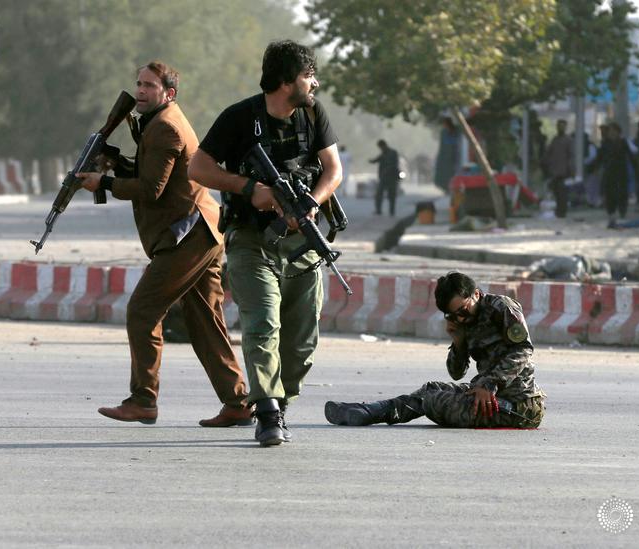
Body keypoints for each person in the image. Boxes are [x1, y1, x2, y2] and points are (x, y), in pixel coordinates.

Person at [77, 61, 251, 427]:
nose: (140, 91)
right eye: (138, 84)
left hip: (187, 235)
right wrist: (116, 163)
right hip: (200, 230)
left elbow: (151, 190)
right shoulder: (156, 123)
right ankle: (237, 402)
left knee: (142, 311)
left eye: (149, 86)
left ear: (168, 93)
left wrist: (103, 184)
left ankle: (143, 400)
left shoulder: (165, 128)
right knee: (204, 320)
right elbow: (156, 176)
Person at [188, 40, 342, 446]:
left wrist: (311, 201)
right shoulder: (240, 118)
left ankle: (282, 400)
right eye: (309, 76)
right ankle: (267, 410)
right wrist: (249, 188)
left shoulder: (312, 114)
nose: (315, 83)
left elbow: (334, 169)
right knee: (262, 325)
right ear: (285, 81)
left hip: (303, 242)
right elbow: (199, 166)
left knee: (303, 338)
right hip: (252, 240)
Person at [325, 272, 546, 429]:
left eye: (463, 310)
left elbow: (523, 348)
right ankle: (371, 411)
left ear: (476, 294)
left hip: (519, 405)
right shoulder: (463, 323)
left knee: (433, 400)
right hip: (484, 395)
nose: (461, 317)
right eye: (453, 315)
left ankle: (372, 413)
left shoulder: (502, 307)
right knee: (431, 388)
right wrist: (458, 341)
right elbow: (456, 373)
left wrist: (491, 383)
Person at [593, 122, 634, 228]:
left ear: (618, 132)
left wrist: (637, 168)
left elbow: (631, 156)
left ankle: (622, 213)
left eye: (612, 131)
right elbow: (600, 157)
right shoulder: (605, 143)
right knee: (609, 195)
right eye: (610, 131)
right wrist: (595, 168)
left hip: (621, 173)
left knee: (622, 194)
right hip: (609, 173)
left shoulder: (623, 142)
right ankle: (612, 216)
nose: (610, 133)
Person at [543, 119, 573, 218]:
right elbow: (549, 153)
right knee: (556, 191)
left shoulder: (568, 140)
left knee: (562, 192)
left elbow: (571, 156)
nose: (560, 128)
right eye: (559, 126)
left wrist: (570, 169)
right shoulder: (555, 139)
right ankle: (559, 210)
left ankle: (562, 211)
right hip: (554, 170)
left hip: (564, 171)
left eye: (562, 126)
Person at [518, 255, 611, 283]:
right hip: (577, 267)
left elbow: (607, 275)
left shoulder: (604, 265)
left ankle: (531, 273)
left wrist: (591, 278)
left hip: (578, 266)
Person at [370, 139, 401, 216]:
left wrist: (388, 169)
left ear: (384, 145)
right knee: (379, 194)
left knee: (391, 195)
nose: (381, 149)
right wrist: (371, 161)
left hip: (392, 177)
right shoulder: (384, 153)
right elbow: (376, 160)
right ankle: (378, 210)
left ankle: (392, 211)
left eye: (381, 147)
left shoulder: (393, 153)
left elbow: (395, 164)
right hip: (384, 177)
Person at [433, 116, 463, 193]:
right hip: (446, 158)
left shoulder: (458, 131)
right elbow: (442, 146)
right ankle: (447, 189)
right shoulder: (444, 133)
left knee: (455, 174)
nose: (444, 126)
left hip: (456, 157)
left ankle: (454, 189)